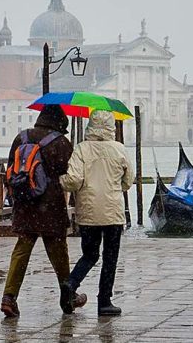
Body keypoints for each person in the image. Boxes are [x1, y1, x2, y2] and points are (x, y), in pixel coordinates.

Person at [0, 104, 87, 318]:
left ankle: (8, 297)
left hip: (25, 203)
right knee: (59, 252)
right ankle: (68, 295)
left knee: (21, 250)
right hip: (50, 206)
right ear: (59, 121)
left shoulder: (21, 138)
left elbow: (12, 168)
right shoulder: (60, 142)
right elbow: (68, 173)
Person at [60, 110, 134, 316]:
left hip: (88, 212)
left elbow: (73, 180)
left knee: (90, 254)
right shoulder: (119, 149)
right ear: (112, 126)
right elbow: (128, 181)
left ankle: (71, 283)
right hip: (112, 213)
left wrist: (60, 181)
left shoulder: (82, 149)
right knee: (110, 257)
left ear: (90, 125)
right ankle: (104, 302)